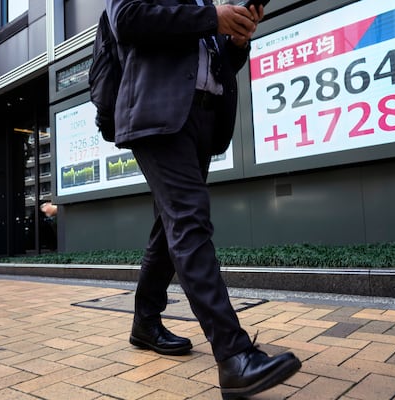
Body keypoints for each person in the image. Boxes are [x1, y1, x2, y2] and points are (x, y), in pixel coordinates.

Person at [104, 1, 301, 398]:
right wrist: (213, 17)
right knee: (189, 219)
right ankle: (234, 356)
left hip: (200, 118)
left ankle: (145, 321)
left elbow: (207, 61)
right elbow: (126, 19)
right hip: (156, 114)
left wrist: (235, 42)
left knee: (171, 224)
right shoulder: (202, 7)